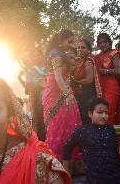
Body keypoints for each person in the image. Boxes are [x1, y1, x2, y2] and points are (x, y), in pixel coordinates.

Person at [63, 98, 120, 184]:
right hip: (97, 178)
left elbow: (115, 153)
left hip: (118, 174)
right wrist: (67, 177)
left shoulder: (110, 129)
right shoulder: (81, 131)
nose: (104, 116)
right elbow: (66, 150)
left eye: (106, 113)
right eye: (99, 112)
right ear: (90, 114)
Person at [43, 29, 82, 160]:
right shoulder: (56, 54)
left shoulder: (61, 53)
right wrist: (68, 95)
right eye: (69, 41)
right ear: (60, 41)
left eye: (73, 42)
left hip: (63, 90)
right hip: (56, 91)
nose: (72, 45)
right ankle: (56, 160)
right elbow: (58, 77)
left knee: (69, 123)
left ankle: (69, 160)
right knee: (57, 124)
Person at [18, 48, 47, 141]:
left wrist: (45, 83)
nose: (37, 57)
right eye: (34, 56)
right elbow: (27, 88)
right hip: (37, 100)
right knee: (39, 122)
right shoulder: (31, 71)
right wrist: (38, 84)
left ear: (42, 56)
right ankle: (41, 143)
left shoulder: (49, 68)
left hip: (50, 98)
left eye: (38, 55)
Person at [93, 33, 120, 125]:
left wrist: (104, 71)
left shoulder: (114, 53)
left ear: (109, 43)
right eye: (100, 43)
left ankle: (109, 135)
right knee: (100, 112)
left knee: (108, 111)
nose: (102, 44)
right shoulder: (96, 57)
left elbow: (118, 71)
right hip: (99, 87)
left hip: (111, 87)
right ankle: (101, 136)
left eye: (105, 42)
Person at [71, 38, 96, 124]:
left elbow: (89, 80)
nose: (80, 49)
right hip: (79, 94)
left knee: (86, 118)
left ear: (89, 49)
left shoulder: (88, 61)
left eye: (83, 47)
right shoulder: (78, 60)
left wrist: (75, 82)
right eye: (78, 47)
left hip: (87, 94)